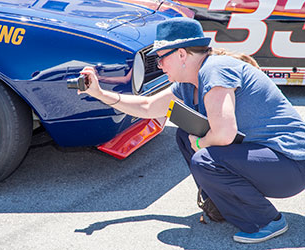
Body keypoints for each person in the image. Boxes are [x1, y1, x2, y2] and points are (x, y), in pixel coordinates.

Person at [79, 17, 305, 243]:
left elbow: (225, 134)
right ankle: (222, 205)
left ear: (181, 55)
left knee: (204, 157)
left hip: (291, 165)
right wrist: (100, 94)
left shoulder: (216, 70)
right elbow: (148, 106)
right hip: (269, 160)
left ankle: (265, 220)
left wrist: (201, 144)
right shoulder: (189, 83)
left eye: (161, 59)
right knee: (185, 135)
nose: (160, 66)